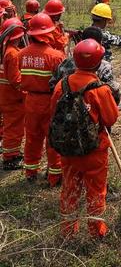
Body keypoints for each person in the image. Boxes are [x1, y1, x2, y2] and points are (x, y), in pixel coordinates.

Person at [50, 39, 119, 238]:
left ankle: (68, 231)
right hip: (94, 151)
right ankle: (96, 231)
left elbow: (53, 112)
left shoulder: (61, 86)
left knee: (70, 188)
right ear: (98, 63)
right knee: (96, 190)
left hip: (68, 150)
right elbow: (111, 118)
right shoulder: (100, 89)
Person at [19, 13, 64, 185]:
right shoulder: (56, 56)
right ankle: (54, 175)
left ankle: (30, 172)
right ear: (48, 33)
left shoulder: (21, 54)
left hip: (30, 101)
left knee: (31, 137)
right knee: (52, 139)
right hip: (50, 102)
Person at [50, 26, 121, 105]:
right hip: (94, 110)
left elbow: (53, 86)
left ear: (82, 41)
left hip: (66, 112)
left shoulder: (66, 63)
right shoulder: (104, 66)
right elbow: (113, 95)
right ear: (100, 43)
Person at [0, 18, 26, 170]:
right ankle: (10, 159)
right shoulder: (13, 54)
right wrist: (28, 87)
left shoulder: (5, 50)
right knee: (14, 129)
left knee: (11, 127)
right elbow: (16, 80)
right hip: (13, 99)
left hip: (5, 96)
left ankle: (12, 153)